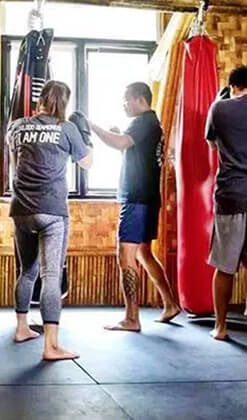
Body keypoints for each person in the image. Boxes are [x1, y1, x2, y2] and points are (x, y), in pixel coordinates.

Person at [8, 80, 93, 361]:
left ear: (40, 99)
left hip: (21, 209)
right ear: (64, 103)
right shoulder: (66, 128)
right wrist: (85, 135)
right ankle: (51, 346)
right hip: (52, 210)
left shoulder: (18, 126)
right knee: (51, 276)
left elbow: (14, 162)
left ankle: (22, 328)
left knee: (27, 272)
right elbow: (87, 162)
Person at [90, 82, 180, 332]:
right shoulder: (152, 123)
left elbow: (120, 143)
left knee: (126, 255)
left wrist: (90, 125)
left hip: (137, 198)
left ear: (140, 100)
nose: (123, 104)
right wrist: (118, 134)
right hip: (148, 197)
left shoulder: (142, 122)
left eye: (126, 99)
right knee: (143, 253)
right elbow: (133, 152)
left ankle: (131, 318)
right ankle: (170, 304)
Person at [205, 66, 247, 355]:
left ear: (233, 86)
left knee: (225, 267)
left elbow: (213, 145)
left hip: (230, 196)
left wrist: (220, 101)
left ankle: (221, 326)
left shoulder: (219, 109)